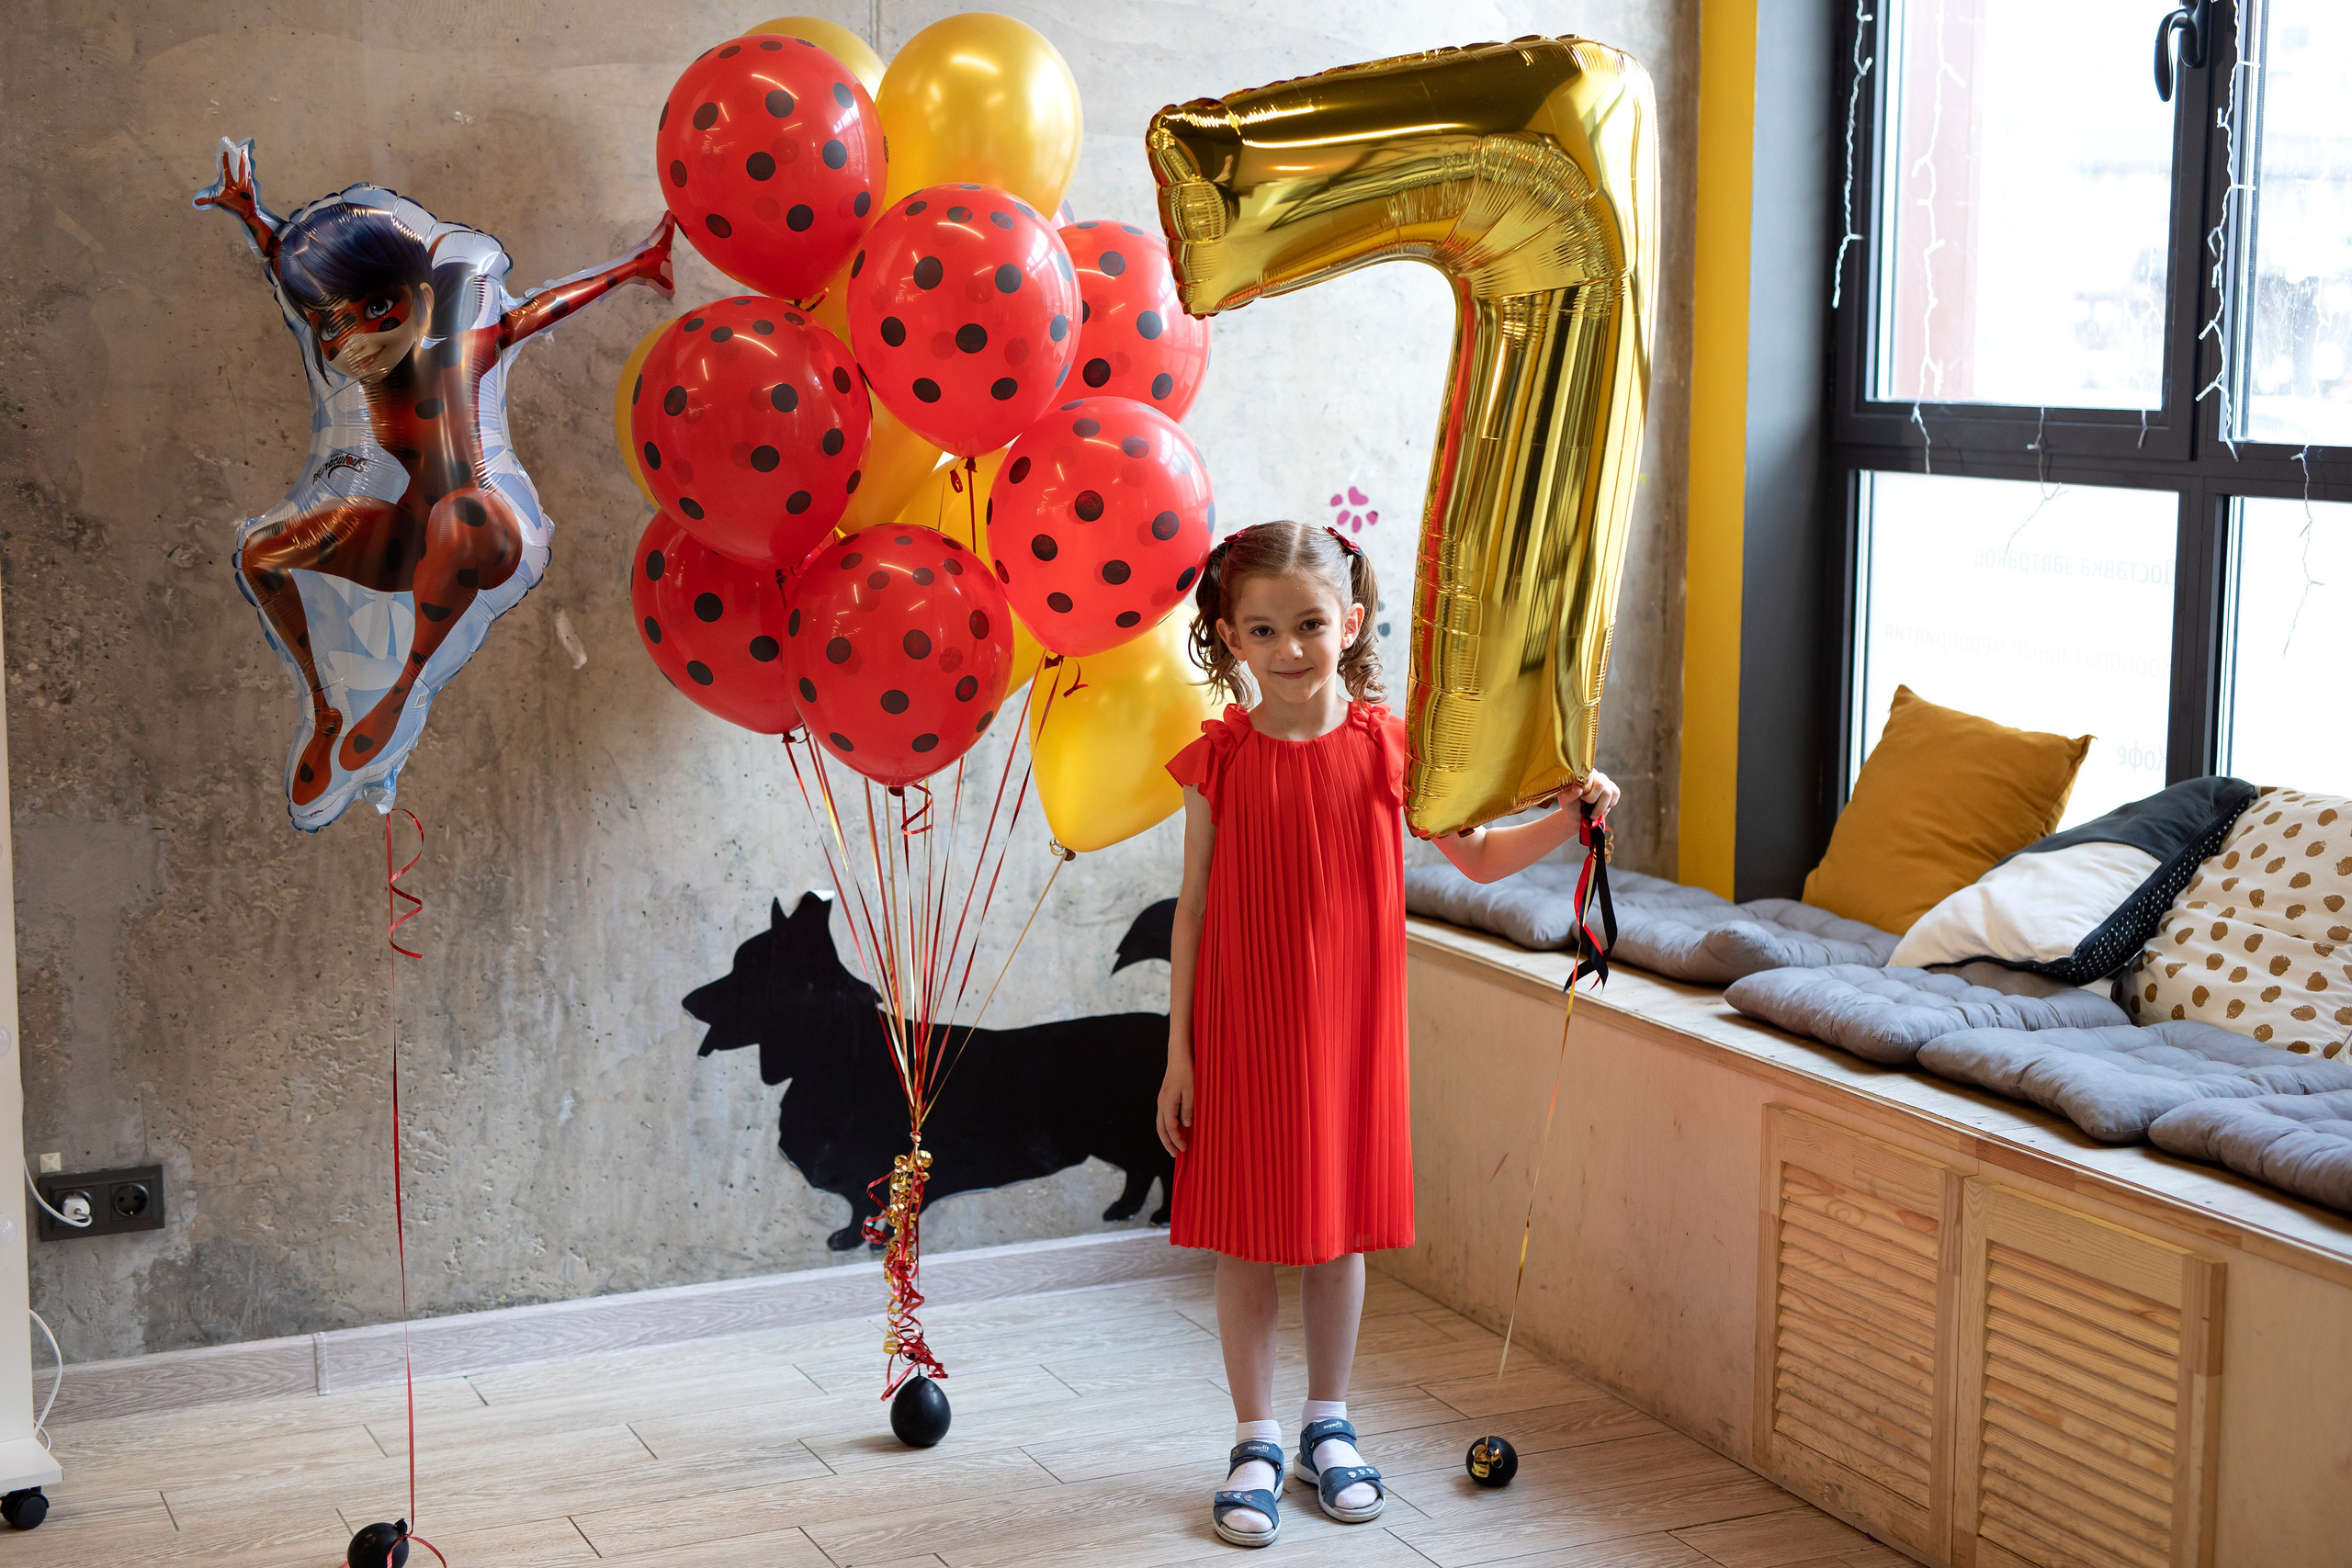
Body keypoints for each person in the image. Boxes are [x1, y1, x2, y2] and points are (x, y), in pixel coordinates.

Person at [1157, 520, 1619, 1548]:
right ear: (1229, 635)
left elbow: (1485, 861)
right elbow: (1190, 909)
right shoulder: (1216, 760)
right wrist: (1178, 1052)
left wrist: (1575, 816)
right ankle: (1255, 1437)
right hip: (1239, 1028)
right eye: (1263, 629)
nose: (1289, 650)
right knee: (1245, 1235)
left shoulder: (1390, 749)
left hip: (1347, 1031)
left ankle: (1329, 1423)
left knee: (1335, 1230)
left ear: (1350, 623)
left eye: (1310, 625)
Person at [195, 140, 675, 808]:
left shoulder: (458, 353)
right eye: (333, 329)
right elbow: (303, 272)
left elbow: (540, 310)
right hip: (411, 537)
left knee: (461, 515)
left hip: (483, 533)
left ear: (421, 294)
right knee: (261, 554)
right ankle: (326, 706)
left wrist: (636, 267)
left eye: (377, 313)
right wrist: (254, 217)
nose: (355, 341)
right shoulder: (361, 366)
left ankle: (399, 693)